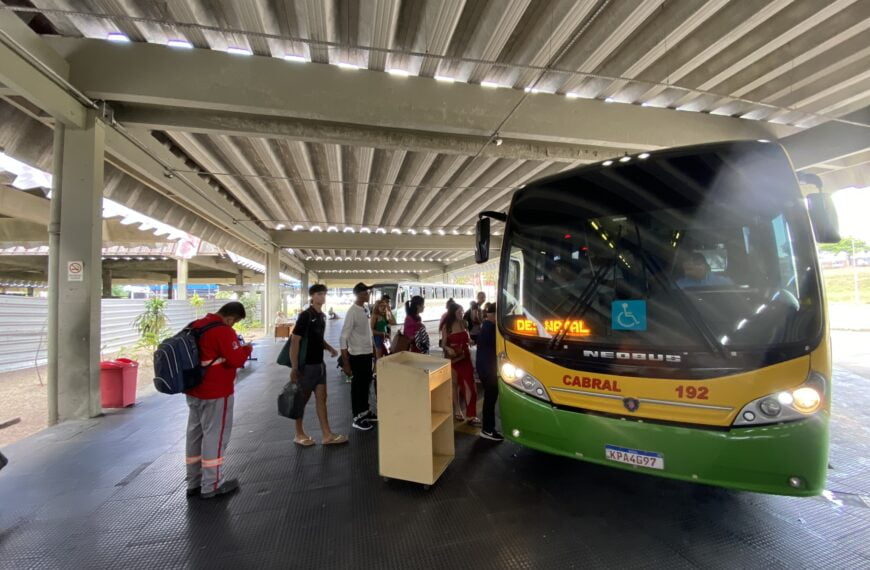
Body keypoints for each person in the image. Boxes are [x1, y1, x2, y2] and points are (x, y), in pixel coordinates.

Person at [184, 302, 253, 499]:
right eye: (234, 322)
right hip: (216, 392)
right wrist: (246, 349)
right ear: (231, 318)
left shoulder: (195, 325)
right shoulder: (222, 331)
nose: (233, 326)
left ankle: (194, 481)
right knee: (215, 435)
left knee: (195, 435)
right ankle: (212, 484)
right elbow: (236, 360)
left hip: (193, 391)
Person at [290, 284, 348, 446]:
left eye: (324, 294)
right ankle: (298, 433)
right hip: (307, 366)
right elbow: (295, 341)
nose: (323, 297)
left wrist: (329, 348)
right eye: (319, 294)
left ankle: (327, 434)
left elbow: (316, 339)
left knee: (322, 399)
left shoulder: (321, 316)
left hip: (319, 365)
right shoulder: (305, 316)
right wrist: (295, 368)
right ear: (312, 296)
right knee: (302, 399)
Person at [341, 282, 377, 432]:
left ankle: (365, 411)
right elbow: (343, 338)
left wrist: (374, 349)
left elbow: (368, 332)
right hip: (357, 355)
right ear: (360, 294)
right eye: (366, 292)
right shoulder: (352, 312)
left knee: (366, 384)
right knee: (358, 387)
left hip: (367, 354)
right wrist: (346, 363)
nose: (368, 295)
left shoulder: (365, 309)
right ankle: (357, 417)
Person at [442, 303, 480, 427]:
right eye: (459, 312)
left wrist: (469, 341)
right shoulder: (446, 327)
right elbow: (443, 344)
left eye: (462, 312)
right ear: (453, 312)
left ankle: (471, 414)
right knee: (455, 385)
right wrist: (448, 349)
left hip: (465, 357)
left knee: (470, 385)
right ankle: (457, 409)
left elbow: (467, 337)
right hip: (454, 359)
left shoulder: (464, 323)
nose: (461, 314)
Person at [476, 303, 502, 441]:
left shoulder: (487, 327)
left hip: (486, 368)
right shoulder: (490, 328)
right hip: (488, 370)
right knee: (490, 400)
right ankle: (487, 429)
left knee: (489, 399)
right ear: (492, 315)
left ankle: (488, 428)